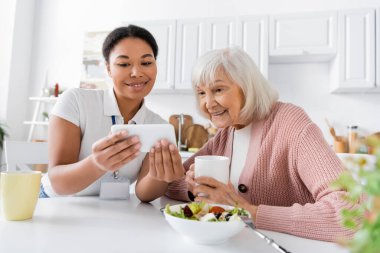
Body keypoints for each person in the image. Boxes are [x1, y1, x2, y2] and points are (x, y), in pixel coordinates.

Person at [135, 47, 358, 242]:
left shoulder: (291, 122)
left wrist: (249, 211)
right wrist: (195, 188)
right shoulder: (225, 135)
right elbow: (174, 183)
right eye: (201, 93)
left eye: (218, 89)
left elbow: (351, 213)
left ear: (247, 88)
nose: (208, 103)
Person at [41, 25, 166, 197]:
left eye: (146, 63)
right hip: (56, 203)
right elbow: (58, 183)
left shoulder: (158, 125)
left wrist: (161, 176)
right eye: (123, 64)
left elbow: (144, 195)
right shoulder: (75, 101)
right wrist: (96, 164)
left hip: (110, 210)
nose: (136, 72)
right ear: (108, 68)